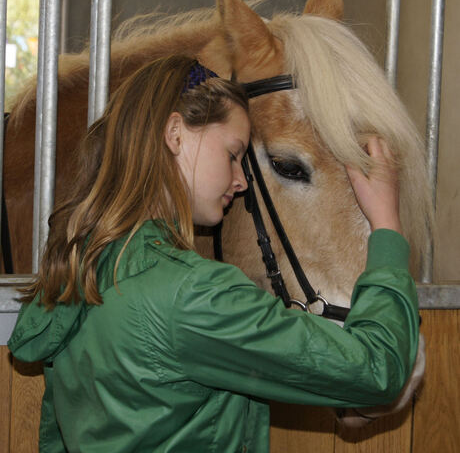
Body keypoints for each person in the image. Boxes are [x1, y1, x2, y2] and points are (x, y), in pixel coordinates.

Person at [8, 55, 419, 453]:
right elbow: (377, 370)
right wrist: (386, 225)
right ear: (175, 135)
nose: (241, 180)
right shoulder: (192, 294)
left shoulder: (89, 270)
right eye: (233, 153)